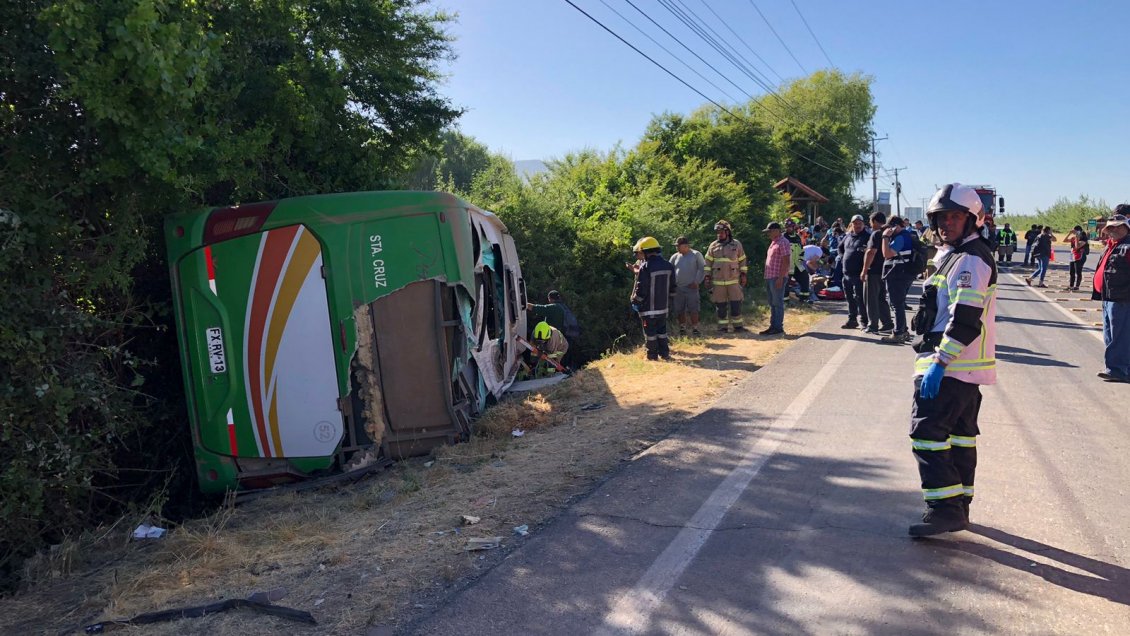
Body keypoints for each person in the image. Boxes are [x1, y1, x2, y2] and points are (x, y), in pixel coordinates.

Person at [907, 183, 998, 537]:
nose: (947, 223)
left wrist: (939, 364)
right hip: (964, 370)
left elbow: (964, 320)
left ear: (972, 220)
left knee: (926, 434)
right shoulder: (959, 255)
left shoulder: (971, 259)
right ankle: (959, 506)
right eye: (941, 217)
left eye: (955, 216)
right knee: (959, 437)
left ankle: (945, 509)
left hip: (951, 369)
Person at [1092, 210, 1130, 382]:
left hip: (1121, 298)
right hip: (1108, 296)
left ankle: (1118, 369)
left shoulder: (1127, 247)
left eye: (1116, 227)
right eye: (1110, 227)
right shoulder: (1112, 245)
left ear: (1125, 228)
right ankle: (1115, 367)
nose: (1112, 230)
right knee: (1110, 334)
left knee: (1119, 335)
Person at [631, 236, 676, 360]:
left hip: (648, 309)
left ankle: (652, 356)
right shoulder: (668, 265)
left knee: (650, 334)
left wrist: (636, 301)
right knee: (662, 332)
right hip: (663, 308)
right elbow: (673, 287)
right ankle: (665, 354)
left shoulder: (645, 267)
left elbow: (642, 288)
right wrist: (670, 303)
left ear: (645, 252)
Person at [704, 220, 748, 333]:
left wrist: (743, 275)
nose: (719, 234)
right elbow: (708, 263)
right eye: (717, 232)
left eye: (721, 231)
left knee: (736, 305)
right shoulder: (713, 246)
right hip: (718, 282)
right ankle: (722, 328)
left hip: (733, 281)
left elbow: (742, 260)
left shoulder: (736, 244)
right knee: (721, 307)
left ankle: (738, 327)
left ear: (728, 232)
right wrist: (707, 277)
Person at [880, 216, 916, 343]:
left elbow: (887, 254)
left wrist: (885, 237)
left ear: (896, 226)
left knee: (896, 304)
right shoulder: (906, 236)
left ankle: (899, 332)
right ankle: (903, 330)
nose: (888, 230)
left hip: (897, 274)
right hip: (902, 273)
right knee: (898, 303)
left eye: (890, 227)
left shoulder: (901, 237)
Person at [860, 211, 894, 334]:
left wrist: (864, 270)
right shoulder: (889, 233)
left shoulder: (876, 234)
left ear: (874, 221)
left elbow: (871, 252)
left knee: (871, 298)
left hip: (873, 270)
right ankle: (887, 323)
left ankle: (872, 324)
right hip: (885, 270)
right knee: (881, 298)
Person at [838, 214, 870, 329]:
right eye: (855, 223)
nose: (857, 225)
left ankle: (864, 321)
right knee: (849, 298)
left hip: (859, 274)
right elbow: (840, 248)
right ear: (851, 224)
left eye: (859, 223)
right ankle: (852, 319)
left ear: (863, 224)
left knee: (860, 298)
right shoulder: (848, 236)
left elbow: (871, 253)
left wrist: (865, 269)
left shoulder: (867, 237)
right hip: (846, 273)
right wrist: (842, 257)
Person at [669, 236, 706, 336]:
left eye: (678, 246)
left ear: (686, 246)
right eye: (676, 246)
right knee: (680, 309)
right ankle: (682, 328)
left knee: (694, 309)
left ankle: (695, 328)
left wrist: (697, 281)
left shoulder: (696, 254)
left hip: (692, 287)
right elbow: (670, 270)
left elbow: (702, 269)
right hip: (678, 288)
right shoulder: (675, 256)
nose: (677, 248)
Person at [761, 221, 791, 336]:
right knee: (772, 302)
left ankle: (778, 327)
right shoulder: (774, 242)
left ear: (776, 231)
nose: (768, 234)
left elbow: (786, 261)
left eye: (769, 231)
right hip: (770, 277)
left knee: (777, 302)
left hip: (777, 277)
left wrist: (781, 278)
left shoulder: (783, 242)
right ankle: (773, 326)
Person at [1067, 226, 1088, 291]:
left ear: (1078, 231)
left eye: (1074, 231)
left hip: (1080, 256)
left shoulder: (1083, 237)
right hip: (1073, 256)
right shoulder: (1074, 237)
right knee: (1071, 272)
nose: (1073, 232)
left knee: (1078, 272)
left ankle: (1077, 286)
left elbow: (1077, 247)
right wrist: (1069, 234)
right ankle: (1071, 286)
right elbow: (1065, 240)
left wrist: (1077, 238)